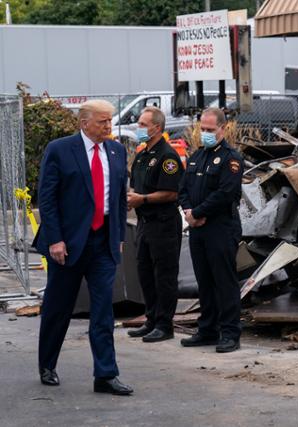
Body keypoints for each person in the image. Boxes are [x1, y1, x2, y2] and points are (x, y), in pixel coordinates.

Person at [34, 100, 133, 395]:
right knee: (58, 307)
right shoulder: (60, 150)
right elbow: (47, 198)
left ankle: (105, 374)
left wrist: (118, 236)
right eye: (102, 122)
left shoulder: (116, 152)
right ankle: (47, 364)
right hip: (67, 243)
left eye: (110, 121)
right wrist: (54, 239)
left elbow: (118, 199)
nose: (108, 127)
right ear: (84, 123)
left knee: (103, 310)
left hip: (102, 242)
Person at [178, 107, 243, 353]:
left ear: (223, 129)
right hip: (197, 228)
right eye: (202, 129)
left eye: (210, 130)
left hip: (221, 228)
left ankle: (229, 333)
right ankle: (207, 330)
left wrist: (198, 213)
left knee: (224, 282)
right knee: (204, 281)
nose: (204, 133)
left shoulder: (231, 158)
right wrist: (188, 212)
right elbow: (183, 188)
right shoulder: (196, 156)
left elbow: (226, 194)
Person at [127, 106, 183, 343]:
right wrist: (131, 198)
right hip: (144, 224)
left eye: (142, 124)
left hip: (164, 225)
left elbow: (171, 193)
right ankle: (151, 319)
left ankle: (164, 324)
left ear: (156, 127)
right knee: (146, 274)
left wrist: (144, 199)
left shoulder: (167, 157)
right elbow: (135, 186)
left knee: (164, 276)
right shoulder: (141, 155)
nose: (139, 128)